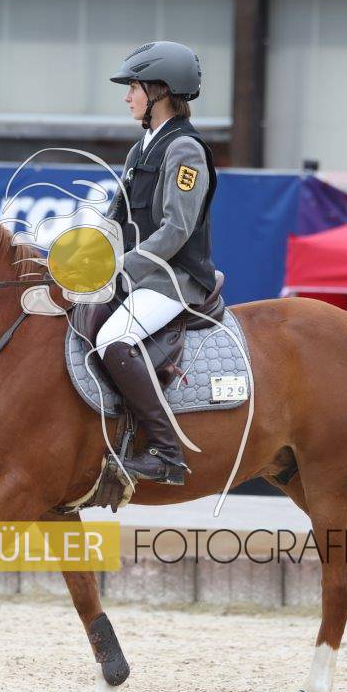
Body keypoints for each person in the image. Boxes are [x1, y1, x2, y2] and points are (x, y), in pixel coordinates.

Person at [97, 40, 220, 486]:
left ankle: (167, 454)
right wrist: (84, 255)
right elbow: (116, 216)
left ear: (160, 91)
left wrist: (123, 268)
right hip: (140, 277)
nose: (127, 97)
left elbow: (176, 229)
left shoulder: (184, 149)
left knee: (114, 340)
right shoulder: (141, 150)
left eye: (133, 87)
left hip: (174, 279)